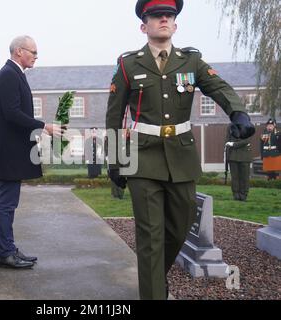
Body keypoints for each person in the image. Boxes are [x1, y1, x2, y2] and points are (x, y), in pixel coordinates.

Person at [106, 0, 255, 300]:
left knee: (179, 227)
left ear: (175, 24)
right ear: (143, 25)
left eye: (168, 15)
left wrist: (238, 113)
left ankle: (155, 277)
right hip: (142, 158)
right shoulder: (128, 64)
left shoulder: (191, 61)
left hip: (181, 157)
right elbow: (113, 115)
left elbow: (220, 88)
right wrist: (115, 160)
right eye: (156, 15)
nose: (163, 19)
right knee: (150, 237)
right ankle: (154, 293)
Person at [0, 36, 63, 269]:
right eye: (33, 52)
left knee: (10, 203)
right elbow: (11, 113)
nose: (36, 56)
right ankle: (4, 253)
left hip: (13, 151)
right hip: (10, 152)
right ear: (19, 51)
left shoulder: (15, 73)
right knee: (7, 204)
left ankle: (8, 248)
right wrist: (43, 126)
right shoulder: (9, 74)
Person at [225, 124, 253, 201]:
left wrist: (234, 144)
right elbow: (227, 140)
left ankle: (243, 194)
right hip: (233, 155)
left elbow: (247, 140)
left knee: (244, 177)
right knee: (235, 177)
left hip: (244, 156)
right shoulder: (230, 126)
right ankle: (236, 194)